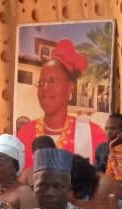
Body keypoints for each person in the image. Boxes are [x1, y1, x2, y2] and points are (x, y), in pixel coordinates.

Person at [16, 39, 106, 170]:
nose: (45, 88)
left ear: (70, 88)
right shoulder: (25, 133)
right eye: (41, 83)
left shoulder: (94, 133)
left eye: (52, 82)